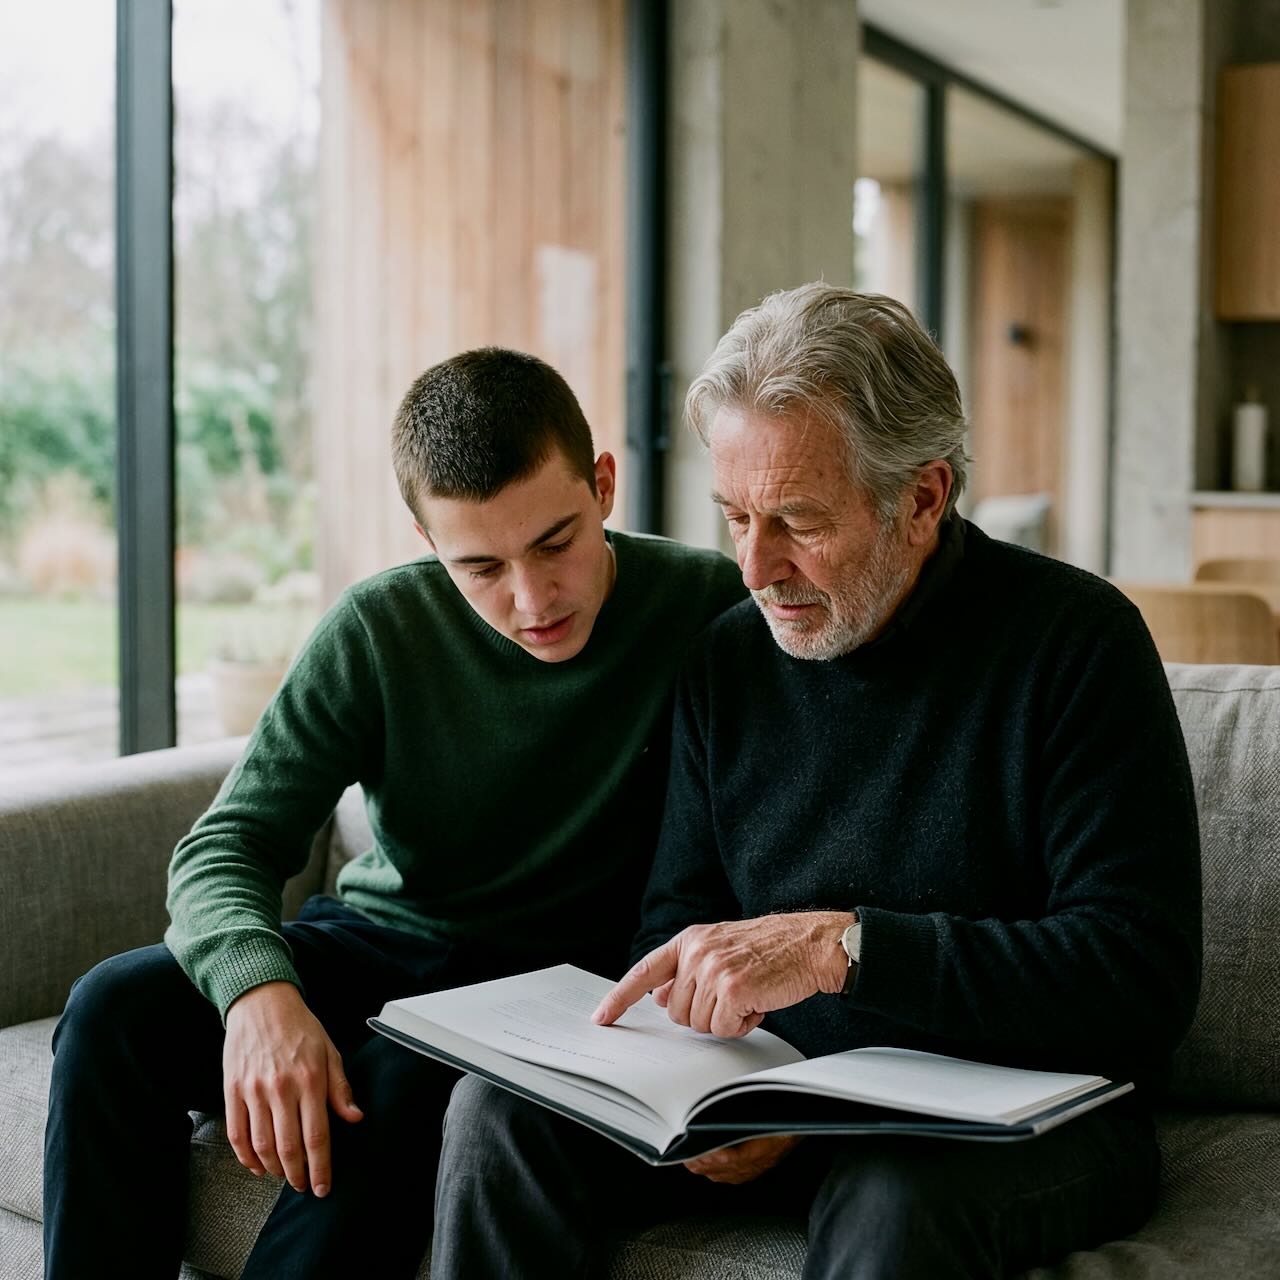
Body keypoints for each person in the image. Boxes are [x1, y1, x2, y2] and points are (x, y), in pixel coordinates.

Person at [432, 286, 1203, 1280]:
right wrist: (733, 1091)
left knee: (889, 1193)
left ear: (921, 499)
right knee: (496, 1112)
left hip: (1025, 1111)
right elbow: (675, 918)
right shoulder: (726, 662)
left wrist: (847, 947)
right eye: (734, 517)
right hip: (780, 1097)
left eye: (795, 521)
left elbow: (1136, 975)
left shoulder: (1075, 645)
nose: (755, 566)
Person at [42, 347, 746, 1280]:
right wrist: (260, 995)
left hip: (561, 989)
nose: (531, 601)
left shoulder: (711, 608)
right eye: (480, 566)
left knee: (397, 1089)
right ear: (425, 542)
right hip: (382, 944)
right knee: (108, 1010)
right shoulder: (379, 628)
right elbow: (228, 843)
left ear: (604, 486)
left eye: (555, 543)